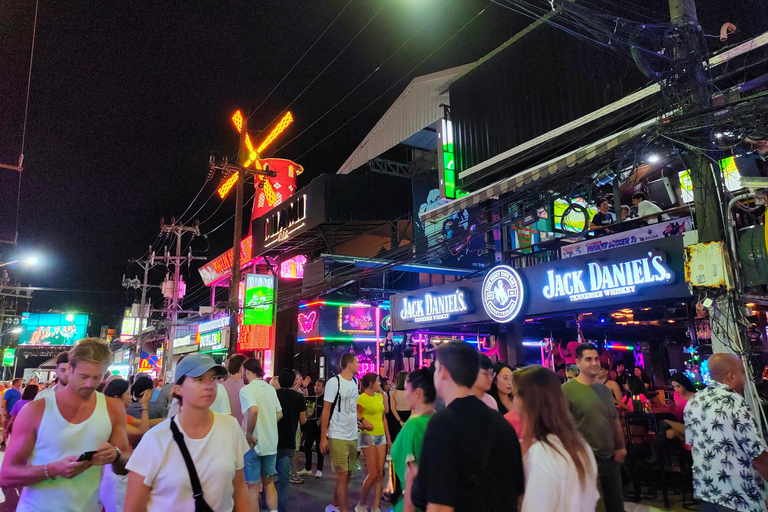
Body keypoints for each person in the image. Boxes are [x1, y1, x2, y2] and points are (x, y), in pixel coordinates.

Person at [0, 338, 131, 512]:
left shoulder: (113, 408)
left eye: (97, 377)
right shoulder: (36, 410)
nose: (90, 384)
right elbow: (6, 476)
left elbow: (124, 466)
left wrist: (115, 456)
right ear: (70, 369)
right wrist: (53, 469)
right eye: (84, 376)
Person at [123, 353, 250, 512]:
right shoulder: (156, 439)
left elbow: (239, 491)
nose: (209, 385)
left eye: (213, 378)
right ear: (179, 389)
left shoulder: (230, 428)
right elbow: (133, 507)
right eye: (198, 379)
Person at [411, 341, 524, 511]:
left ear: (444, 372)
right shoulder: (502, 422)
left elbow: (440, 506)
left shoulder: (443, 423)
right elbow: (518, 493)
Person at [685, 353, 768, 512]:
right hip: (739, 498)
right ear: (731, 376)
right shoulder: (734, 402)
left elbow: (691, 444)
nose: (745, 379)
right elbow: (757, 455)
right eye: (742, 373)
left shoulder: (694, 401)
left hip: (707, 493)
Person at [515, 366, 599, 512]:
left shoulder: (542, 453)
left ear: (527, 401)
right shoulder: (580, 444)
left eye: (515, 395)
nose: (514, 401)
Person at [562, 343, 626, 512]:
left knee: (616, 505)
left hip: (610, 457)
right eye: (588, 359)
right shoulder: (566, 391)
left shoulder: (604, 390)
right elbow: (562, 428)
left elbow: (614, 420)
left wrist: (621, 447)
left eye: (596, 358)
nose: (594, 363)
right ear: (578, 362)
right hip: (585, 458)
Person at [240, 357, 282, 512]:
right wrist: (268, 425)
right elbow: (279, 414)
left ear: (248, 371)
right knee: (269, 483)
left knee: (252, 486)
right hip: (271, 443)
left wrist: (249, 433)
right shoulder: (270, 388)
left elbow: (253, 410)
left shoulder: (246, 390)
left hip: (253, 444)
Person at [390, 368, 436, 512]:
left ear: (417, 393)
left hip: (414, 503)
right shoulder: (440, 419)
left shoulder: (413, 425)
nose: (405, 396)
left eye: (407, 391)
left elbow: (411, 476)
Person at [320, 353, 360, 512]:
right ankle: (344, 509)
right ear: (349, 364)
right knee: (343, 475)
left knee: (347, 474)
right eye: (356, 362)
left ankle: (334, 505)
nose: (358, 364)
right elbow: (326, 410)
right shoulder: (334, 382)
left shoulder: (355, 381)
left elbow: (353, 407)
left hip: (352, 434)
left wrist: (362, 421)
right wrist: (323, 437)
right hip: (338, 434)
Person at [355, 373, 391, 512]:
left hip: (380, 435)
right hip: (367, 436)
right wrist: (363, 424)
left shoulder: (380, 396)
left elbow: (383, 418)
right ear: (370, 384)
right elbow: (357, 417)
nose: (380, 384)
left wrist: (388, 438)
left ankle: (376, 506)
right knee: (373, 473)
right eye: (377, 381)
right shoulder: (361, 399)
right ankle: (361, 503)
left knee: (380, 473)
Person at [275, 369, 307, 512]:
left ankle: (267, 507)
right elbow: (303, 420)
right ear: (294, 380)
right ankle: (282, 508)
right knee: (284, 481)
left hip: (273, 440)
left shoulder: (274, 395)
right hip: (289, 441)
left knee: (268, 479)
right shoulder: (298, 397)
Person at [298, 378, 325, 478]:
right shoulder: (311, 398)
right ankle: (308, 468)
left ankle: (319, 469)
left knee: (319, 448)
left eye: (318, 385)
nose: (316, 387)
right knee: (307, 446)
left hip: (320, 427)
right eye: (315, 385)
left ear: (323, 388)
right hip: (310, 426)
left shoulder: (325, 400)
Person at [222, 354, 247, 426]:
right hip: (244, 430)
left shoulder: (222, 387)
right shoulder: (247, 387)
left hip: (226, 428)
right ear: (241, 368)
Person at [388, 371, 411, 439]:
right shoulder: (411, 391)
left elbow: (393, 408)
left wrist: (400, 421)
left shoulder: (393, 392)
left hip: (399, 417)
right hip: (405, 416)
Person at [0, 378, 22, 446]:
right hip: (10, 411)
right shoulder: (9, 391)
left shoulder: (19, 391)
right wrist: (5, 411)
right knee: (6, 426)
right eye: (20, 382)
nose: (21, 383)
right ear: (16, 383)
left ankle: (13, 440)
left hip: (17, 412)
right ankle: (4, 440)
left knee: (15, 427)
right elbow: (4, 401)